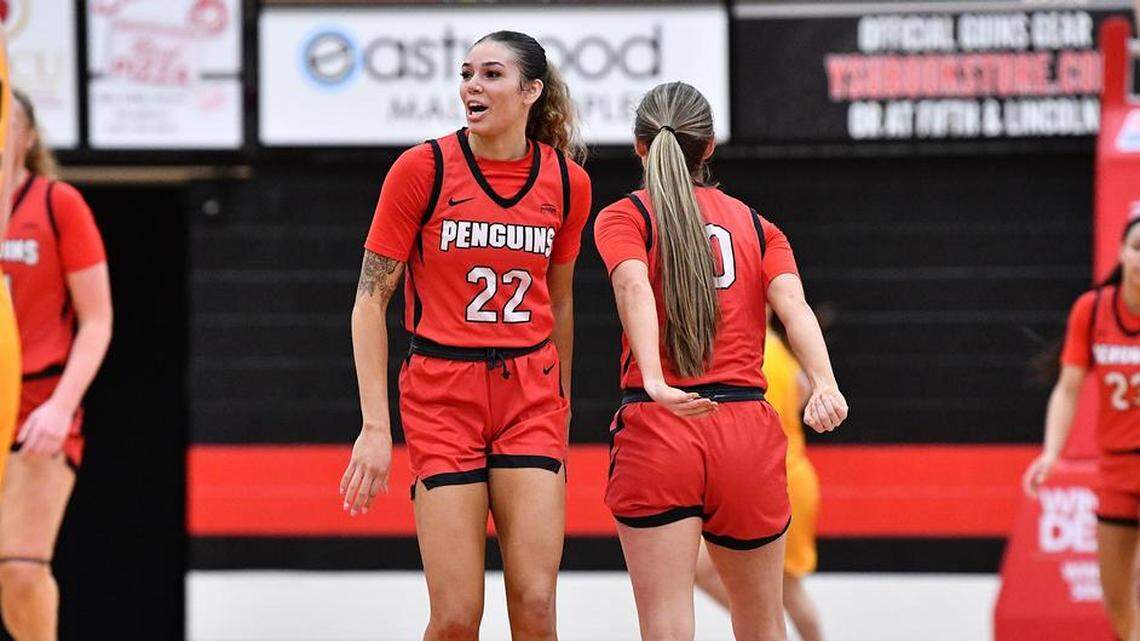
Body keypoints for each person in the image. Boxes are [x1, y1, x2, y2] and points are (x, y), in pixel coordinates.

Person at [339, 31, 591, 641]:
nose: (472, 86)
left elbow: (559, 301)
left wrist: (560, 406)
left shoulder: (567, 182)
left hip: (530, 391)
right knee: (456, 618)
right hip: (440, 391)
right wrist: (375, 427)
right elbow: (370, 302)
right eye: (466, 73)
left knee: (535, 605)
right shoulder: (421, 168)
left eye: (491, 75)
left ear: (531, 91)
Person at [593, 81, 847, 641]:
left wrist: (656, 380)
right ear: (708, 149)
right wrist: (826, 382)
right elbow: (795, 306)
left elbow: (633, 287)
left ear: (641, 147)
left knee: (666, 625)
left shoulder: (623, 216)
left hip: (660, 424)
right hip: (743, 430)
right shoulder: (759, 226)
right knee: (761, 623)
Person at [0, 89, 112, 641]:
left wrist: (60, 407)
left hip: (37, 405)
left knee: (21, 571)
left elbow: (97, 321)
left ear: (28, 135)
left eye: (4, 119)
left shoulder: (56, 203)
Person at [1023, 216, 1140, 641]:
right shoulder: (1092, 310)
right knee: (1120, 607)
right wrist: (1052, 453)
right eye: (1137, 246)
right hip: (1116, 472)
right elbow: (1068, 389)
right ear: (1122, 252)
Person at [694, 316, 824, 641]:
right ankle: (765, 626)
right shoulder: (781, 351)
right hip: (791, 472)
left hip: (773, 476)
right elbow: (804, 391)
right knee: (783, 587)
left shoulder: (741, 354)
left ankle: (768, 627)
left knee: (787, 588)